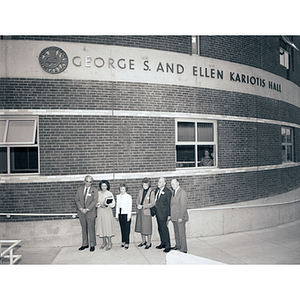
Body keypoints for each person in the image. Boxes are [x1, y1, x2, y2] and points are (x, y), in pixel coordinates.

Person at [75, 175, 98, 252]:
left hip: (90, 212)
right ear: (84, 181)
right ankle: (85, 244)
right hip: (81, 212)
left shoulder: (94, 190)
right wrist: (81, 208)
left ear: (92, 183)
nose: (88, 183)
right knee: (84, 228)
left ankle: (92, 244)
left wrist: (87, 209)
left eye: (90, 182)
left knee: (91, 229)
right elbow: (76, 199)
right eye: (87, 181)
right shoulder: (79, 189)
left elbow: (95, 201)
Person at [135, 178, 155, 249]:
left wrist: (143, 206)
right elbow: (137, 200)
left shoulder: (151, 192)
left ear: (149, 184)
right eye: (143, 184)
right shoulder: (140, 191)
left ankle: (149, 242)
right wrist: (138, 205)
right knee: (141, 227)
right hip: (140, 212)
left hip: (146, 212)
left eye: (146, 184)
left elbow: (153, 203)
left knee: (147, 228)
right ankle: (143, 241)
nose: (145, 185)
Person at [96, 180, 115, 251]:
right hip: (100, 211)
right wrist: (99, 205)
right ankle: (104, 242)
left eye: (105, 186)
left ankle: (110, 242)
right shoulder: (98, 193)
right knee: (102, 226)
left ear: (107, 186)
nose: (103, 187)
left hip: (107, 212)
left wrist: (107, 205)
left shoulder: (109, 193)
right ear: (100, 186)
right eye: (102, 186)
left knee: (107, 226)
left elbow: (113, 204)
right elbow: (95, 203)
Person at [170, 178, 188, 253]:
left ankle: (183, 249)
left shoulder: (182, 192)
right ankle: (178, 245)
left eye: (173, 184)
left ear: (178, 183)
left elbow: (183, 206)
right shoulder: (173, 192)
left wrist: (181, 217)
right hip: (174, 216)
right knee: (176, 233)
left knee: (181, 233)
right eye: (171, 184)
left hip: (180, 217)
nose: (172, 185)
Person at [154, 177, 172, 253]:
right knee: (160, 229)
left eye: (161, 182)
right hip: (158, 214)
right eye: (158, 182)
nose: (159, 183)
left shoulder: (168, 192)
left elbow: (169, 204)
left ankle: (168, 245)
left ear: (164, 183)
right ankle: (163, 243)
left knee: (164, 229)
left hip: (164, 214)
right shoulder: (157, 190)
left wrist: (169, 215)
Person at [115, 183, 132, 250]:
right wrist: (117, 215)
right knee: (122, 228)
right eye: (121, 189)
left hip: (126, 214)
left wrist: (129, 216)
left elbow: (129, 207)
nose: (122, 190)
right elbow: (117, 206)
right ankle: (123, 241)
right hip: (120, 214)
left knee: (127, 229)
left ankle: (127, 242)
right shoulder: (118, 196)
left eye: (123, 189)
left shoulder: (128, 196)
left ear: (126, 189)